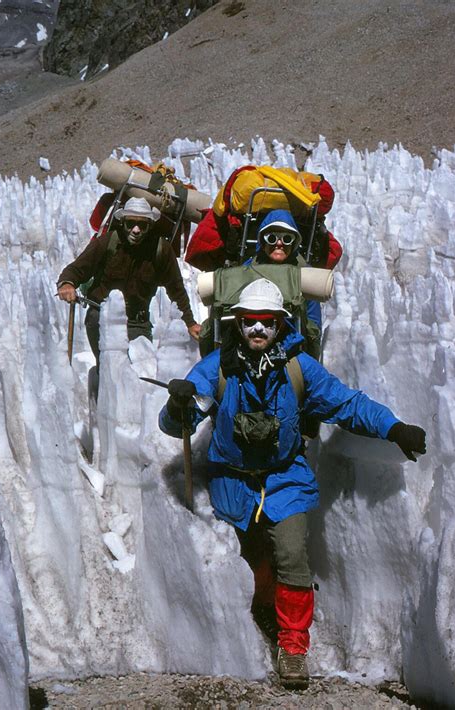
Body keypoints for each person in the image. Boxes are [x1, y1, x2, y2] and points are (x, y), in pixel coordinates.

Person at [158, 279, 426, 689]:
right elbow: (179, 420)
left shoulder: (298, 368)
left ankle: (294, 647)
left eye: (267, 322)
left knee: (292, 555)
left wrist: (394, 428)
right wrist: (177, 404)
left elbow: (347, 403)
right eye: (250, 323)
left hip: (286, 479)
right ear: (239, 324)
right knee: (250, 560)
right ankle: (263, 607)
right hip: (233, 483)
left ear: (281, 325)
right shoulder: (217, 366)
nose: (258, 331)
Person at [57, 197, 201, 364]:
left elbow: (176, 289)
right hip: (102, 317)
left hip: (137, 322)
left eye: (143, 225)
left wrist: (189, 322)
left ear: (150, 226)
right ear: (122, 223)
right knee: (108, 368)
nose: (136, 230)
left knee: (139, 370)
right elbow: (77, 269)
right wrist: (67, 283)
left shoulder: (161, 250)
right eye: (130, 223)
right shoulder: (107, 242)